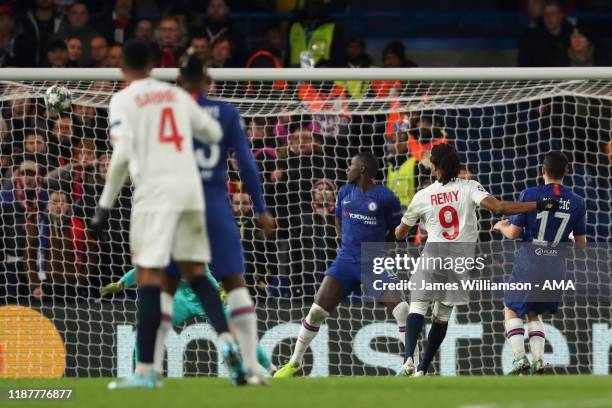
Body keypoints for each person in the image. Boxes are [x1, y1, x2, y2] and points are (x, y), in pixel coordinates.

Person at [88, 38, 227, 389]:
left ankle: (145, 373)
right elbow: (211, 132)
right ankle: (234, 353)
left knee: (149, 278)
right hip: (190, 192)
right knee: (197, 274)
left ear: (123, 68)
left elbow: (120, 156)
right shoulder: (176, 95)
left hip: (155, 196)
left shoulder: (123, 99)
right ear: (154, 65)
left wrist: (104, 206)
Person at [395, 144, 560, 376]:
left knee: (418, 306)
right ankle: (422, 369)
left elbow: (400, 233)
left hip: (432, 256)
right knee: (440, 318)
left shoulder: (422, 195)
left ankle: (408, 360)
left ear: (434, 167)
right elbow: (499, 207)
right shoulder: (470, 187)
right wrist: (539, 205)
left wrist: (405, 225)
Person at [177, 50, 275, 385]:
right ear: (208, 81)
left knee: (160, 286)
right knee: (235, 283)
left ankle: (145, 371)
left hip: (176, 204)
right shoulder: (227, 112)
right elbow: (246, 165)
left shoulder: (167, 111)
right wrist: (260, 208)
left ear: (178, 79)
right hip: (215, 204)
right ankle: (250, 365)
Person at [274, 152, 415, 378]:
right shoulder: (344, 192)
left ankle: (411, 365)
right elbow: (338, 218)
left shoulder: (386, 198)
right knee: (316, 312)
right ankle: (294, 362)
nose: (347, 169)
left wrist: (386, 250)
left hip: (373, 260)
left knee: (402, 309)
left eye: (351, 165)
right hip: (346, 259)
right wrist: (342, 241)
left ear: (363, 169)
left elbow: (396, 231)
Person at [493, 152, 586, 375]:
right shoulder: (577, 202)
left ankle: (519, 358)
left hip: (529, 263)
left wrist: (500, 227)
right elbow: (581, 244)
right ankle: (539, 361)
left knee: (510, 307)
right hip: (556, 267)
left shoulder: (531, 194)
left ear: (542, 170)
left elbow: (514, 233)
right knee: (534, 312)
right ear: (567, 172)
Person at [100, 264, 277, 376]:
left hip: (206, 293)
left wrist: (225, 286)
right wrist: (122, 283)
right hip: (182, 298)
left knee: (238, 332)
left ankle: (272, 370)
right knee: (148, 327)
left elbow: (221, 255)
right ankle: (142, 373)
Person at [286, 0, 346, 67]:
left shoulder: (333, 29)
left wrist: (328, 65)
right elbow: (287, 57)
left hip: (322, 76)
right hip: (296, 75)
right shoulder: (294, 27)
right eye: (308, 3)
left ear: (322, 6)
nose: (311, 7)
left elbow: (340, 60)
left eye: (316, 3)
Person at [517, 0, 573, 67]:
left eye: (552, 13)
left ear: (561, 15)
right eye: (545, 14)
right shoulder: (531, 39)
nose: (549, 17)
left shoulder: (572, 36)